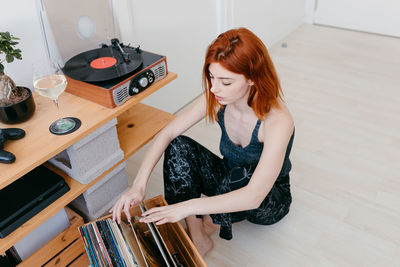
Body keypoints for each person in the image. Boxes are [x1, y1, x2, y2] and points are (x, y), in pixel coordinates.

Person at [111, 27, 294, 256]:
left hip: (268, 199)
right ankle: (198, 236)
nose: (214, 88)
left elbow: (254, 196)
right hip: (229, 176)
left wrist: (183, 207)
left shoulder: (277, 120)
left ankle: (207, 225)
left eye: (225, 82)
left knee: (243, 176)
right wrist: (138, 185)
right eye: (211, 77)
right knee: (179, 146)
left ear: (252, 78)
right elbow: (166, 134)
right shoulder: (218, 97)